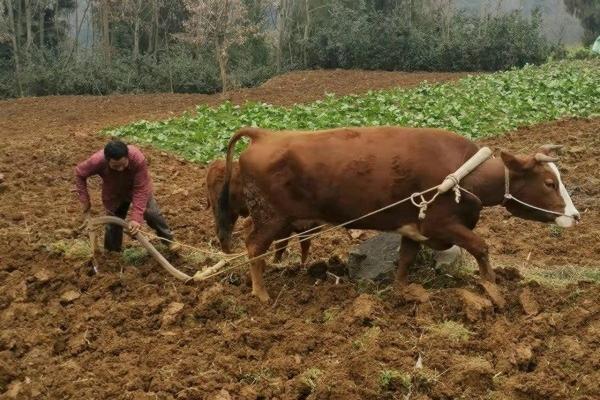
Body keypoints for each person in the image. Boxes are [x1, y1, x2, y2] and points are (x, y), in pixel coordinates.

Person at [75, 140, 179, 252]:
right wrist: (84, 199)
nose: (120, 169)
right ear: (107, 160)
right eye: (115, 166)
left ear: (127, 157)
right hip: (114, 191)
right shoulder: (97, 161)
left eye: (124, 165)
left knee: (152, 213)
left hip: (138, 187)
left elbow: (140, 189)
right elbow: (80, 173)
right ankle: (112, 254)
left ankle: (169, 240)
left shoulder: (137, 159)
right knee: (113, 221)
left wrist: (136, 218)